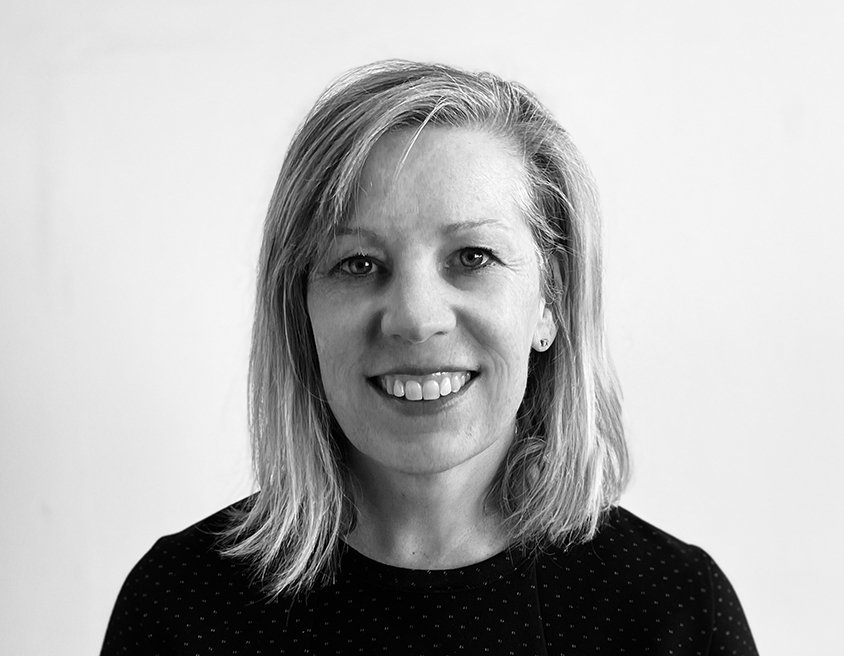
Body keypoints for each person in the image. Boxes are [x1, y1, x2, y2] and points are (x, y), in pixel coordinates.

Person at [101, 60, 758, 655]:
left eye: (472, 257)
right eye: (357, 263)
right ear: (300, 310)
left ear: (550, 300)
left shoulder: (674, 612)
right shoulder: (180, 609)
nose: (416, 318)